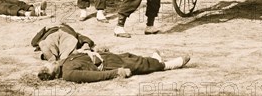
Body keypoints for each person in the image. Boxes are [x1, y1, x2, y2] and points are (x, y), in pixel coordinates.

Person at [38, 48, 190, 82]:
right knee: (138, 64)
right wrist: (117, 72)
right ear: (53, 74)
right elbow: (94, 76)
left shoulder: (63, 62)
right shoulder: (69, 74)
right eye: (48, 67)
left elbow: (82, 56)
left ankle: (155, 59)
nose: (51, 62)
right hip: (108, 65)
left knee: (131, 56)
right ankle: (168, 65)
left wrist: (95, 51)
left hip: (105, 56)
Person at [31, 23, 95, 62]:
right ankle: (66, 55)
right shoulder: (68, 29)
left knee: (48, 43)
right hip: (66, 36)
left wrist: (44, 29)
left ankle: (51, 56)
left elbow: (33, 42)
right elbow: (82, 38)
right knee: (68, 46)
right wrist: (86, 44)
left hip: (52, 36)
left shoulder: (50, 29)